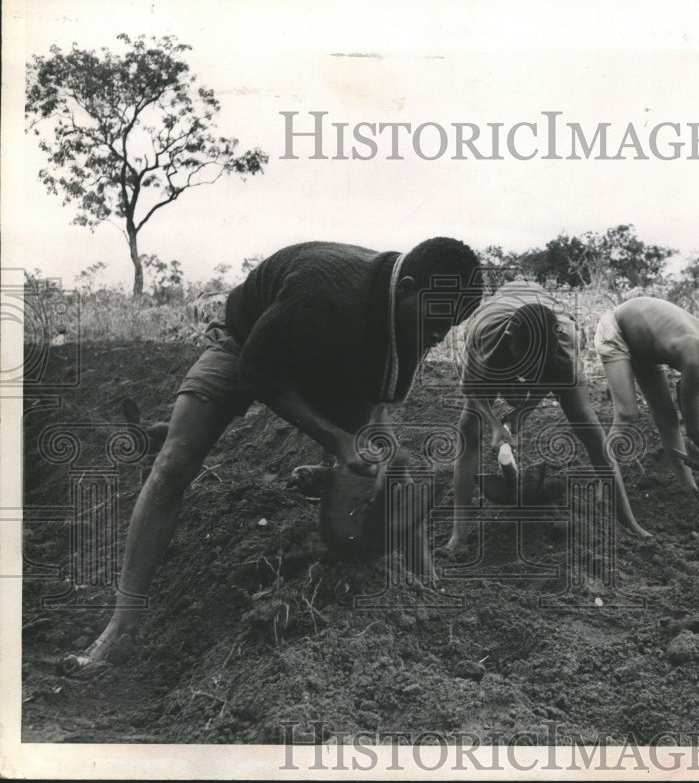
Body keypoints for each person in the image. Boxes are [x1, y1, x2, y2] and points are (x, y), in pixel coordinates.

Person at [64, 237, 482, 674]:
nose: (441, 334)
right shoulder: (322, 288)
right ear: (407, 287)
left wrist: (365, 460)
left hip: (333, 363)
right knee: (174, 464)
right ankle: (122, 627)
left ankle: (427, 591)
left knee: (390, 470)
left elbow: (377, 405)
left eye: (453, 324)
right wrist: (336, 440)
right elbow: (256, 374)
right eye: (439, 318)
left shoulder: (421, 319)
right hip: (247, 344)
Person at [447, 280, 652, 551]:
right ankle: (458, 536)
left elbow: (554, 377)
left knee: (589, 428)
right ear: (511, 342)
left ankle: (629, 521)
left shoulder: (565, 337)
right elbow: (472, 391)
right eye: (527, 363)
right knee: (468, 426)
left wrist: (523, 411)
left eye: (539, 363)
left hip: (543, 320)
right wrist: (495, 425)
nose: (530, 371)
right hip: (498, 326)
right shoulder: (484, 337)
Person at [595, 297, 699, 501]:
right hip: (615, 328)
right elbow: (695, 430)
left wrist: (694, 447)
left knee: (668, 420)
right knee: (626, 414)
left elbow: (684, 394)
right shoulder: (693, 356)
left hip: (645, 349)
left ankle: (689, 492)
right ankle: (602, 492)